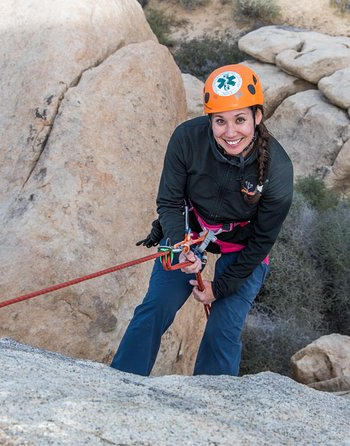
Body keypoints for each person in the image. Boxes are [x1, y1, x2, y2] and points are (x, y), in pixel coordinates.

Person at [110, 64, 294, 376]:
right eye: (219, 121)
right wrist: (181, 244)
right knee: (155, 307)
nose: (230, 132)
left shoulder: (277, 168)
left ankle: (211, 407)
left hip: (243, 245)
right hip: (188, 231)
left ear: (257, 117)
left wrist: (219, 288)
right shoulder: (187, 139)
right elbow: (169, 201)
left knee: (223, 331)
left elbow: (262, 240)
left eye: (240, 120)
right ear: (209, 120)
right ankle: (119, 383)